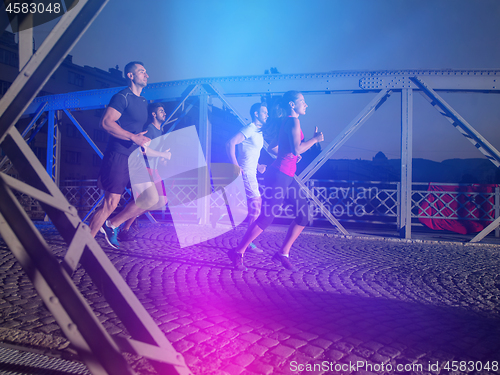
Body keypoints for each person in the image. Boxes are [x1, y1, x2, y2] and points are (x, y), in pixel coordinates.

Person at [227, 91, 324, 271]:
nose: (306, 104)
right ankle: (238, 251)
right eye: (302, 101)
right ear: (292, 104)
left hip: (286, 175)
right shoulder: (293, 121)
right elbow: (298, 148)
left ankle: (283, 253)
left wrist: (289, 154)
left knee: (304, 214)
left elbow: (276, 147)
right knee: (266, 218)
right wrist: (315, 139)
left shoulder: (286, 121)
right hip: (279, 175)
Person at [89, 61, 151, 247]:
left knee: (148, 198)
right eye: (142, 71)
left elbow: (135, 130)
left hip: (135, 157)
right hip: (118, 155)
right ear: (131, 76)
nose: (146, 75)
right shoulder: (122, 97)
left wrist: (141, 142)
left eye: (146, 72)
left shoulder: (143, 101)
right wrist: (133, 137)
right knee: (111, 202)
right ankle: (83, 247)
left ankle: (112, 224)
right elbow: (107, 123)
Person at [117, 103, 171, 241]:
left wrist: (163, 158)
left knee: (162, 201)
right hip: (144, 168)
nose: (164, 113)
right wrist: (162, 155)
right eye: (161, 111)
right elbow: (145, 151)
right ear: (154, 114)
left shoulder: (160, 131)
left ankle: (132, 216)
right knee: (145, 201)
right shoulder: (150, 130)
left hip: (154, 169)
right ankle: (122, 228)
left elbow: (156, 153)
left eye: (164, 111)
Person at [225, 102, 268, 253]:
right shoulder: (249, 128)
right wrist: (235, 165)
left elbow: (249, 151)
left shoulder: (258, 131)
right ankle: (248, 242)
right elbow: (230, 143)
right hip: (245, 173)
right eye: (264, 112)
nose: (267, 115)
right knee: (257, 204)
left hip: (252, 171)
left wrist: (259, 166)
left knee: (255, 206)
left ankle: (249, 240)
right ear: (256, 114)